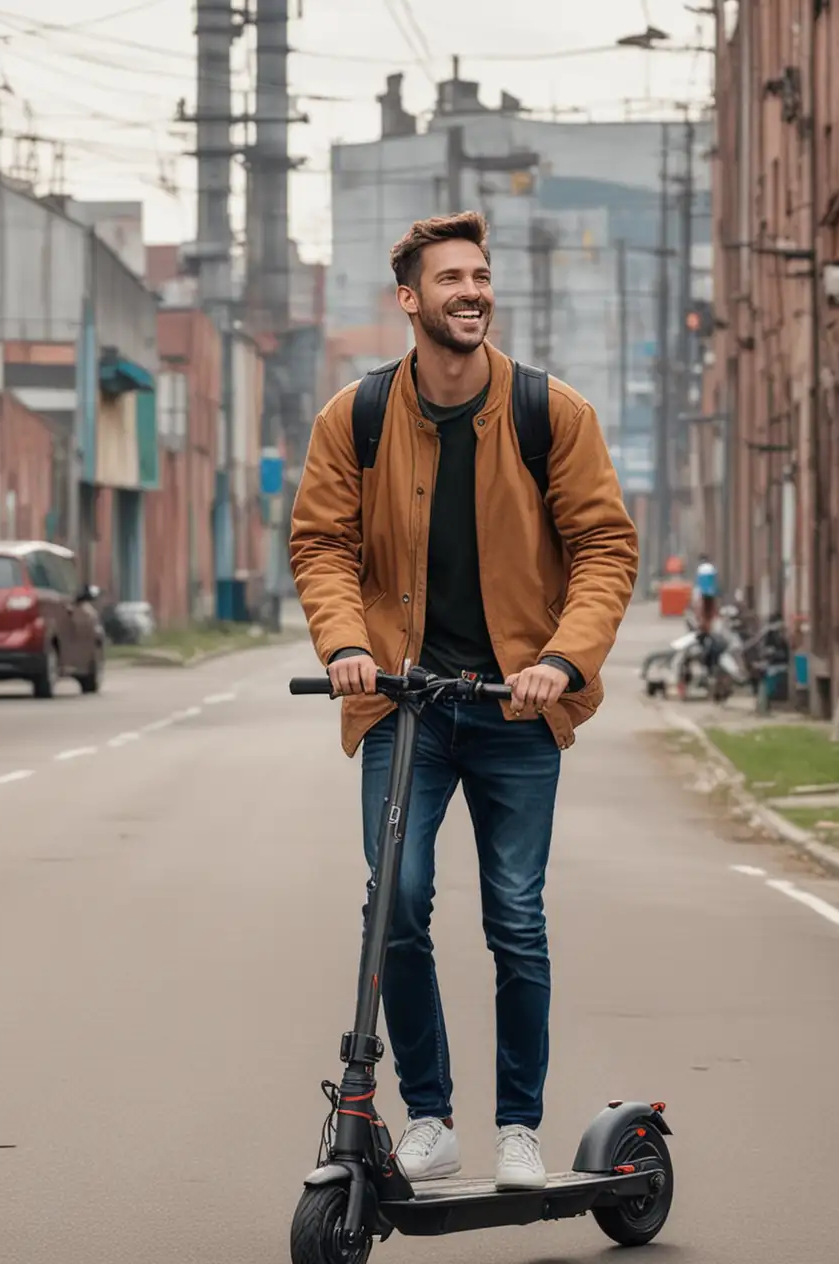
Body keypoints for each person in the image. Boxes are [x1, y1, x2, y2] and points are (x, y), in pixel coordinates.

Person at [289, 212, 638, 1191]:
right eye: (450, 279)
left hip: (515, 708)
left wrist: (563, 663)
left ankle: (519, 1127)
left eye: (480, 276)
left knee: (515, 917)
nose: (471, 291)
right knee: (395, 906)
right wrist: (348, 646)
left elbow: (606, 547)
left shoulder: (548, 412)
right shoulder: (354, 418)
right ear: (410, 300)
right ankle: (432, 1114)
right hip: (407, 707)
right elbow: (322, 544)